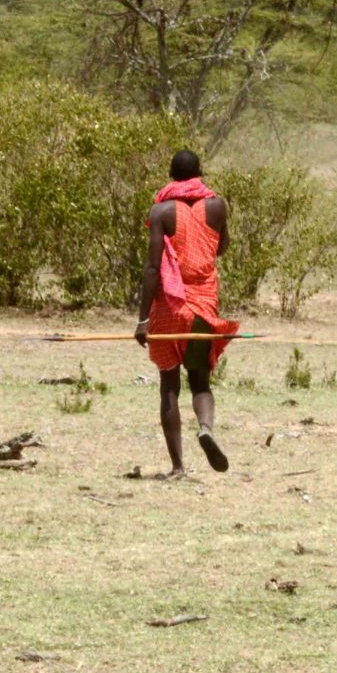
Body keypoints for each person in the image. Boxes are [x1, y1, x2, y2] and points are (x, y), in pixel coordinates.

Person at [135, 149, 239, 477]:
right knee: (200, 382)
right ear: (200, 174)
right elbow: (221, 246)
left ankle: (178, 467)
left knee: (169, 386)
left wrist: (142, 319)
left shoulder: (161, 210)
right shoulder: (217, 206)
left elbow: (153, 268)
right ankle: (206, 426)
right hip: (202, 307)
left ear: (171, 175)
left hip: (169, 308)